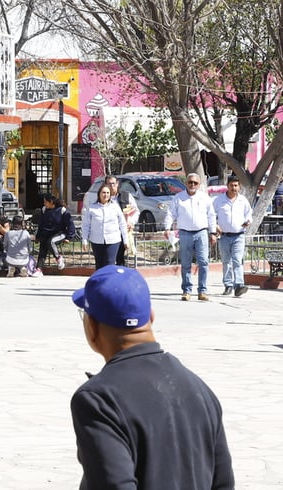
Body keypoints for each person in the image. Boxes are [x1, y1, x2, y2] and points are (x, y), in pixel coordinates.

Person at [70, 265, 234, 488]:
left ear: (91, 326)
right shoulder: (198, 388)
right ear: (151, 317)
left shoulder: (98, 399)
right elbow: (223, 483)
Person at [165, 172, 217, 302]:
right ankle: (186, 290)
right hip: (185, 233)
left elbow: (211, 216)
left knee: (203, 262)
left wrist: (213, 232)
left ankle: (202, 290)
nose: (192, 184)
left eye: (195, 183)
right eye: (190, 182)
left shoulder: (204, 198)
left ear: (199, 184)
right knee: (186, 263)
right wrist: (167, 227)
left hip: (201, 233)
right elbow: (170, 213)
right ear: (186, 183)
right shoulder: (178, 198)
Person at [213, 175, 252, 298]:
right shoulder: (218, 200)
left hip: (239, 235)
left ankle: (239, 285)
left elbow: (249, 214)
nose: (234, 188)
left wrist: (247, 222)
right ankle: (228, 285)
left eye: (236, 185)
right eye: (231, 185)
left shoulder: (243, 201)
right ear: (227, 186)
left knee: (237, 260)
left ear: (239, 186)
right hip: (224, 236)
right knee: (226, 261)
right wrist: (215, 226)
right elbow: (211, 215)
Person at [80, 184, 128, 269]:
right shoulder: (92, 208)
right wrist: (84, 239)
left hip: (113, 240)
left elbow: (122, 224)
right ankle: (101, 282)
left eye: (107, 193)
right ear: (99, 194)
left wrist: (125, 240)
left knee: (110, 264)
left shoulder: (115, 207)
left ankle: (110, 282)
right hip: (97, 240)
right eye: (103, 193)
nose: (105, 195)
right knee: (99, 265)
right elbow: (86, 224)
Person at [103, 176, 139, 265]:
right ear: (105, 184)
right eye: (109, 184)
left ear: (117, 184)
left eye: (113, 184)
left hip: (122, 231)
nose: (111, 186)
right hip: (108, 232)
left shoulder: (126, 196)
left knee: (120, 257)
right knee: (108, 258)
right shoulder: (103, 198)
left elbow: (135, 211)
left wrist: (131, 222)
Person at [35, 193, 76, 270]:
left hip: (60, 233)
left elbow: (70, 224)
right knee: (43, 245)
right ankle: (39, 268)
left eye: (45, 202)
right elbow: (41, 224)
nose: (44, 204)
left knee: (51, 242)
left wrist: (69, 237)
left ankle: (58, 258)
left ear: (51, 202)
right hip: (47, 233)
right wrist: (38, 236)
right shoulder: (44, 210)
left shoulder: (62, 211)